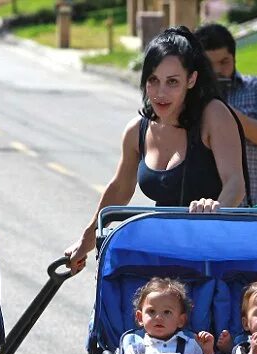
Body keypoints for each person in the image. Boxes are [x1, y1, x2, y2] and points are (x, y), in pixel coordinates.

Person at [65, 26, 247, 274]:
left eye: (172, 82)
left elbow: (235, 183)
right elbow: (119, 188)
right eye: (153, 80)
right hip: (165, 252)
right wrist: (85, 242)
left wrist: (212, 212)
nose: (161, 93)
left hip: (214, 253)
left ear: (191, 80)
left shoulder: (213, 114)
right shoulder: (136, 131)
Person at [195, 23, 257, 207]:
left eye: (224, 62)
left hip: (253, 208)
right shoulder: (189, 97)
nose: (217, 71)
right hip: (202, 208)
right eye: (208, 65)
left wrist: (224, 113)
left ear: (234, 58)